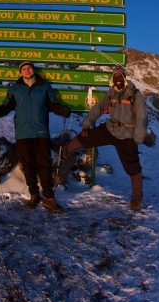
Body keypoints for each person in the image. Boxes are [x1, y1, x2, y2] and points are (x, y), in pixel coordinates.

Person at [0, 61, 71, 213]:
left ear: (33, 70)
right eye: (24, 69)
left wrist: (62, 110)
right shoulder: (15, 89)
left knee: (45, 164)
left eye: (29, 68)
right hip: (23, 134)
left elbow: (53, 104)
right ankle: (34, 194)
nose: (27, 70)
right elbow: (6, 107)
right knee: (28, 164)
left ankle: (49, 197)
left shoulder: (44, 86)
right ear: (20, 72)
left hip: (41, 132)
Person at [62, 65, 148, 211]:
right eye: (115, 77)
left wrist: (137, 139)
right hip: (110, 128)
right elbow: (99, 108)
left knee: (133, 168)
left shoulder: (134, 94)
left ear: (125, 78)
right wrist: (86, 124)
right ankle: (64, 152)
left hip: (127, 135)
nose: (118, 79)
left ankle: (137, 198)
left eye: (120, 76)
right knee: (85, 137)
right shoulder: (111, 93)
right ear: (112, 79)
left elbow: (142, 117)